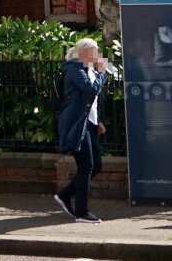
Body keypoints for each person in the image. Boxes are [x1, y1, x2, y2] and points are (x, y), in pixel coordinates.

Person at [53, 36, 110, 224]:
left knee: (96, 165)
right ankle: (81, 212)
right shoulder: (75, 69)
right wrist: (103, 73)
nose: (98, 54)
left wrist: (97, 121)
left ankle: (65, 195)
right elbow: (91, 90)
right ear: (85, 52)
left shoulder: (88, 69)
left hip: (89, 123)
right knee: (86, 166)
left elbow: (92, 102)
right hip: (77, 124)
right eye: (95, 50)